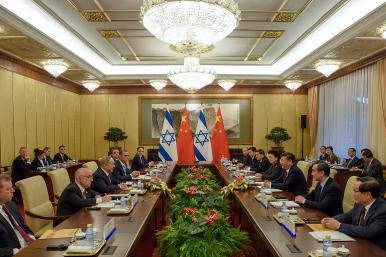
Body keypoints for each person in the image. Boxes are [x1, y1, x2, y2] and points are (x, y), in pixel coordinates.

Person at [322, 177, 386, 250]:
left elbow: (368, 232)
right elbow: (347, 216)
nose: (353, 194)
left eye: (356, 191)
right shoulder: (360, 204)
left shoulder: (383, 210)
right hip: (358, 244)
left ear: (368, 194)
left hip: (375, 250)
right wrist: (330, 220)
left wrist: (339, 226)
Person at [0, 175, 35, 257]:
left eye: (12, 187)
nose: (13, 190)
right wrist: (14, 251)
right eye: (8, 189)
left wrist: (31, 237)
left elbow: (23, 226)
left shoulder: (11, 204)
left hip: (30, 247)